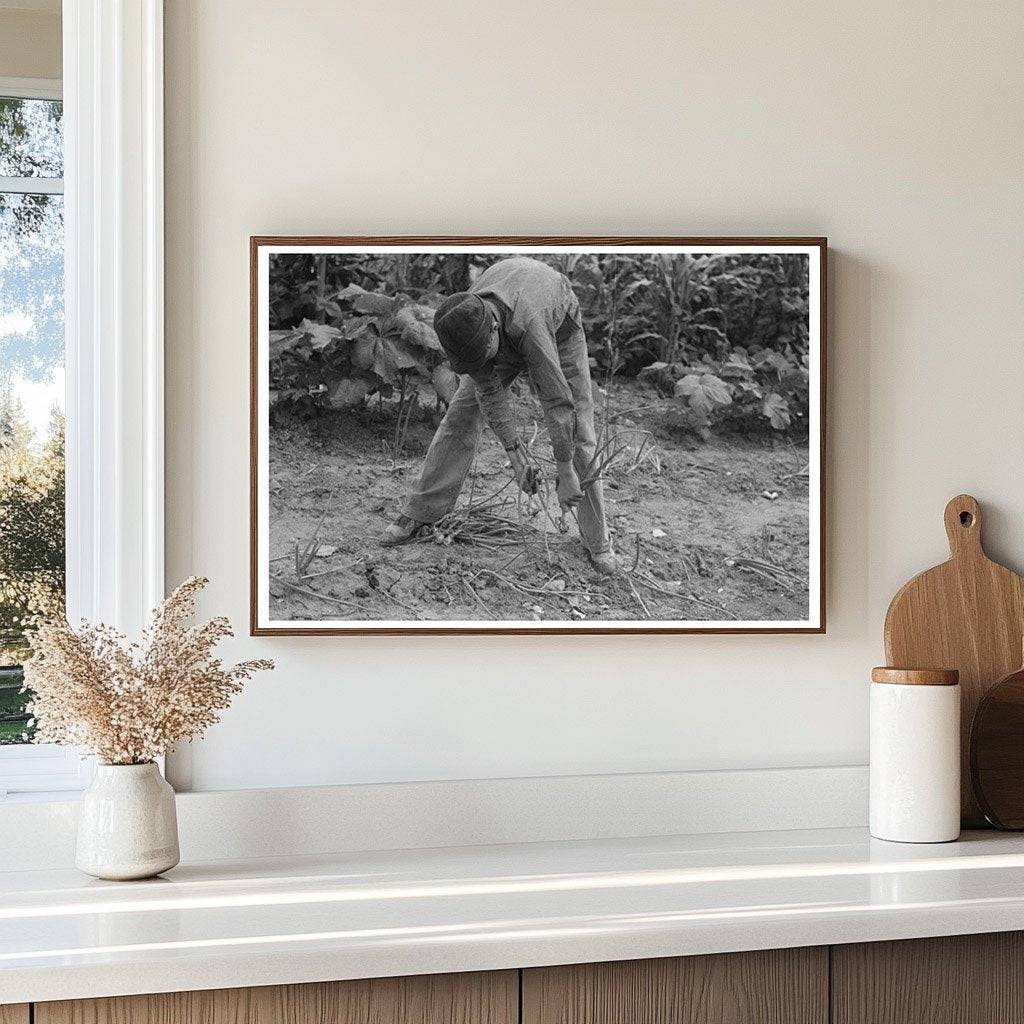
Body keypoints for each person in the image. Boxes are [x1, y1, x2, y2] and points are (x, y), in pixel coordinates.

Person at [380, 256, 617, 574]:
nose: (480, 368)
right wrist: (515, 455)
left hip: (556, 326)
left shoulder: (531, 325)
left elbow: (557, 402)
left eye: (482, 357)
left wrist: (564, 469)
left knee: (580, 433)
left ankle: (598, 541)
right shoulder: (464, 317)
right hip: (503, 319)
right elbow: (487, 388)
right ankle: (422, 510)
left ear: (493, 329)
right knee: (460, 415)